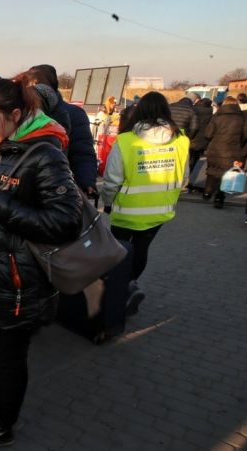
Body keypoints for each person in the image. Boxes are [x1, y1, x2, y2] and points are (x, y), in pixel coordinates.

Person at [0, 76, 83, 451]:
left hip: (18, 283)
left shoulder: (45, 155)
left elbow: (66, 221)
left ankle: (2, 424)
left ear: (16, 115)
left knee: (7, 359)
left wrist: (4, 206)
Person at [100, 92, 190, 316]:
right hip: (160, 210)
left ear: (139, 111)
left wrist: (107, 203)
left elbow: (112, 180)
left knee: (119, 251)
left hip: (126, 210)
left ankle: (119, 291)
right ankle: (131, 284)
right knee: (141, 249)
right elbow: (184, 178)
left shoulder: (126, 140)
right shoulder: (181, 140)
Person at [26, 64, 98, 195]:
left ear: (35, 83)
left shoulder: (73, 114)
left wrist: (86, 181)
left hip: (60, 186)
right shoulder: (22, 111)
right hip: (25, 184)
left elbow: (82, 152)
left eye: (27, 83)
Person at [203, 96, 247, 208]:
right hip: (233, 151)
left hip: (215, 149)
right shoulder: (243, 117)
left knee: (212, 170)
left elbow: (208, 134)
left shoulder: (217, 116)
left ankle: (208, 191)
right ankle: (219, 197)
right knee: (227, 173)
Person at [187, 96, 214, 191]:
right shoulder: (211, 114)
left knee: (187, 161)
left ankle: (184, 181)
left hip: (191, 139)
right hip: (202, 142)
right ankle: (188, 180)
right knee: (194, 161)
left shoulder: (193, 110)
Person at [96, 96, 120, 175]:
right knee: (102, 155)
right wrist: (111, 119)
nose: (113, 105)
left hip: (112, 137)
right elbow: (100, 122)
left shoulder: (116, 113)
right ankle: (101, 170)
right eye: (112, 104)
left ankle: (110, 171)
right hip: (102, 137)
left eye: (114, 104)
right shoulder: (101, 113)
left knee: (111, 155)